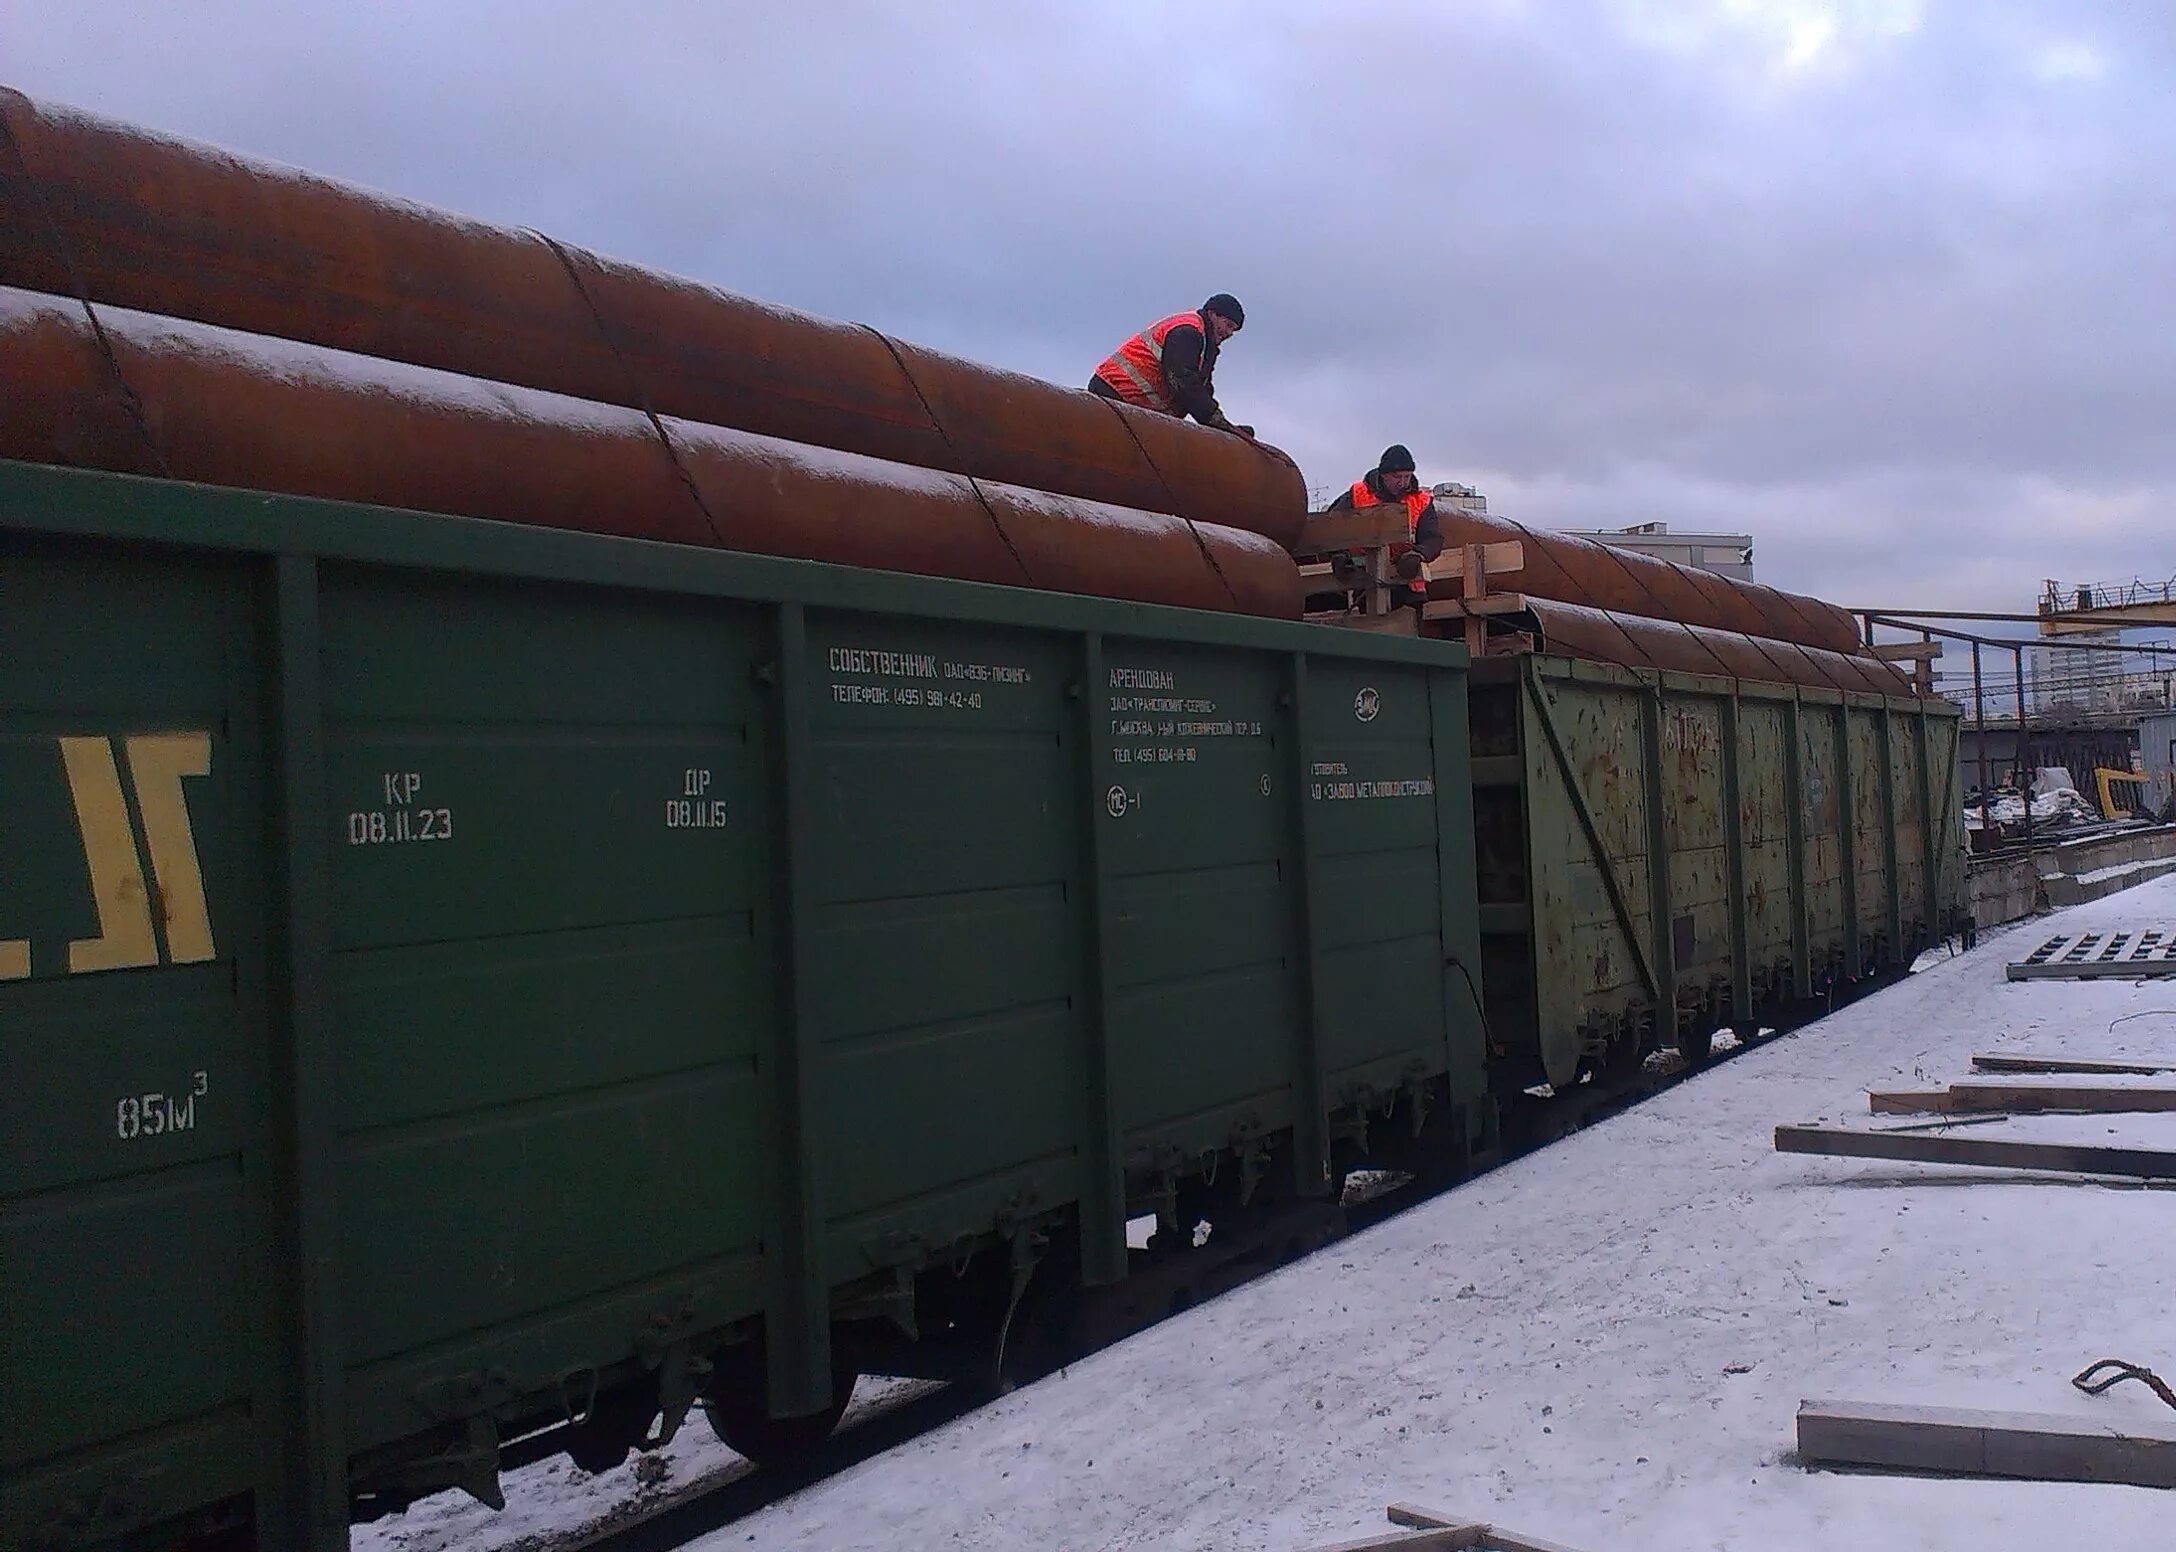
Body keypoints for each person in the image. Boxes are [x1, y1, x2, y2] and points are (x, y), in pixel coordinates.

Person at [1089, 294, 1253, 436]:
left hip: (1131, 403)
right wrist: (1215, 420)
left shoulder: (1205, 345)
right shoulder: (1188, 332)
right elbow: (1183, 382)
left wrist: (1220, 422)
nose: (1229, 333)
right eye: (1228, 325)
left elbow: (1201, 387)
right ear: (1212, 314)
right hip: (1114, 391)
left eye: (1234, 330)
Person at [1326, 444, 1442, 604]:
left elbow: (1433, 539)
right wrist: (1339, 555)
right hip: (1366, 583)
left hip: (1409, 587)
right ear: (1383, 474)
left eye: (1407, 477)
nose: (1402, 482)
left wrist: (1418, 555)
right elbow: (1331, 526)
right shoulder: (1357, 495)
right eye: (1397, 477)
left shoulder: (1421, 501)